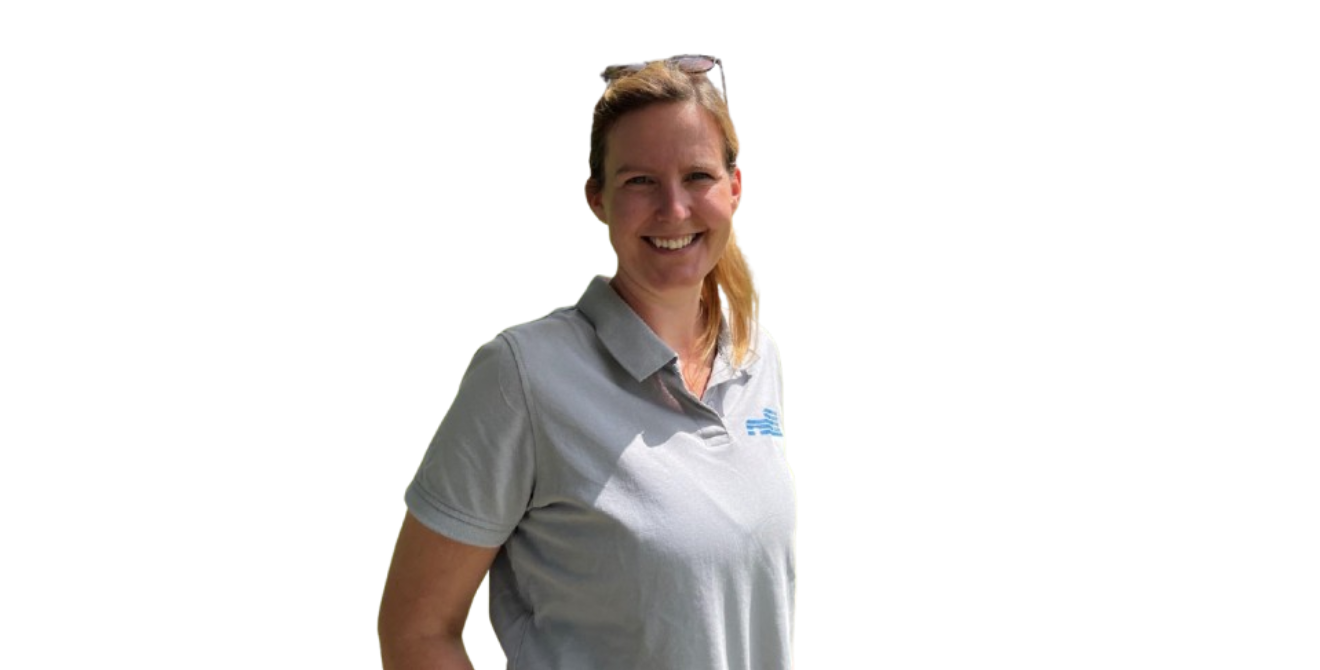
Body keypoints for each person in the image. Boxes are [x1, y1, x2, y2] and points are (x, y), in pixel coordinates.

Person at [377, 53, 796, 670]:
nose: (674, 209)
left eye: (697, 177)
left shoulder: (755, 356)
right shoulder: (520, 376)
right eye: (641, 181)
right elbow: (416, 632)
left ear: (735, 188)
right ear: (597, 199)